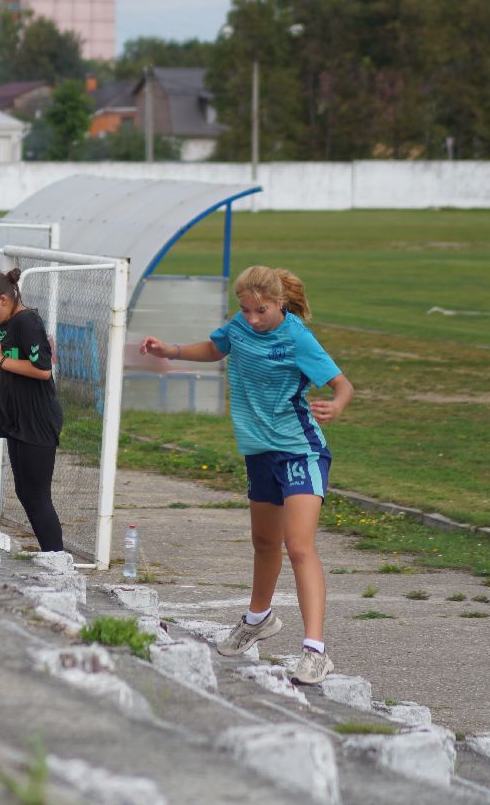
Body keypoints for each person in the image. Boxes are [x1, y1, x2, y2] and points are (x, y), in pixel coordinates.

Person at [140, 266, 353, 686]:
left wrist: (338, 404)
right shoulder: (240, 326)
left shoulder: (297, 337)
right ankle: (258, 619)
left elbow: (341, 384)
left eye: (262, 310)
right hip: (259, 451)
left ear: (279, 305)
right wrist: (172, 350)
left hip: (299, 450)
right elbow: (217, 347)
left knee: (299, 546)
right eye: (246, 309)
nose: (253, 318)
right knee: (263, 543)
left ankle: (314, 651)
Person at [0, 268, 63, 552]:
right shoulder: (3, 323)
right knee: (26, 492)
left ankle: (57, 560)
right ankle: (51, 556)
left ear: (3, 299)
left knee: (37, 494)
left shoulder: (27, 321)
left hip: (37, 418)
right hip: (16, 418)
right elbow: (4, 361)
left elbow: (42, 370)